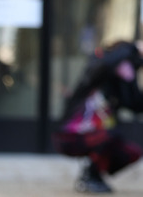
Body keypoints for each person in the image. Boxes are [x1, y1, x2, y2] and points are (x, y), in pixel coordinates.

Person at [53, 40, 143, 194]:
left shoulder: (123, 79)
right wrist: (133, 47)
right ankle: (90, 176)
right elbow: (107, 63)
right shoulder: (99, 69)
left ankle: (93, 175)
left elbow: (136, 104)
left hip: (98, 134)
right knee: (110, 136)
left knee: (131, 152)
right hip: (71, 135)